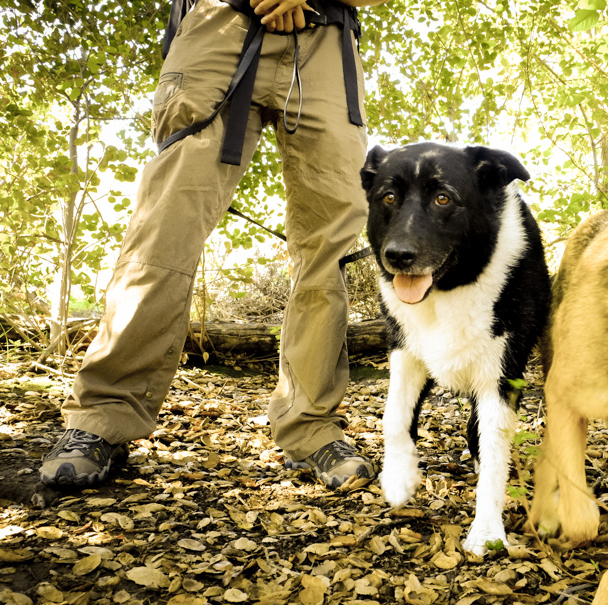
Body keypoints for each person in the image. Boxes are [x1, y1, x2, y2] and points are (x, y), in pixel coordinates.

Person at [40, 0, 387, 489]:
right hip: (219, 24)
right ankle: (101, 416)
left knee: (329, 248)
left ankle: (311, 426)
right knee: (167, 223)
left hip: (327, 45)